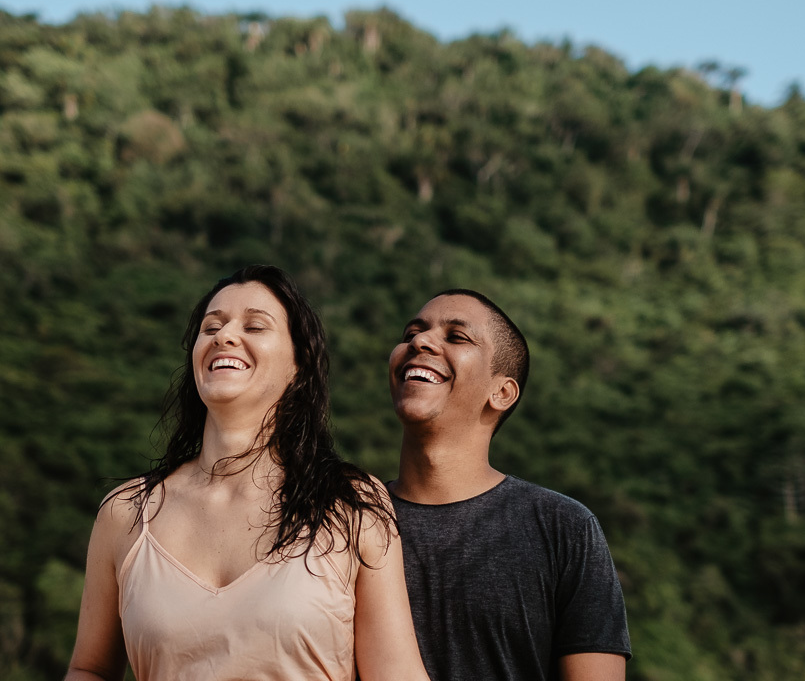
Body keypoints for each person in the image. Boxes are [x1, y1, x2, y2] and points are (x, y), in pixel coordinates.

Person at [65, 265, 429, 681]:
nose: (224, 336)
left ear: (298, 366)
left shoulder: (350, 502)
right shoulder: (126, 513)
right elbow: (89, 668)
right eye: (211, 327)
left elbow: (396, 673)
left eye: (255, 326)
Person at [387, 289, 631, 681]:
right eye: (411, 332)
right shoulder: (346, 520)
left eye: (456, 336)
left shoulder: (562, 528)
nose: (419, 341)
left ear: (501, 392)